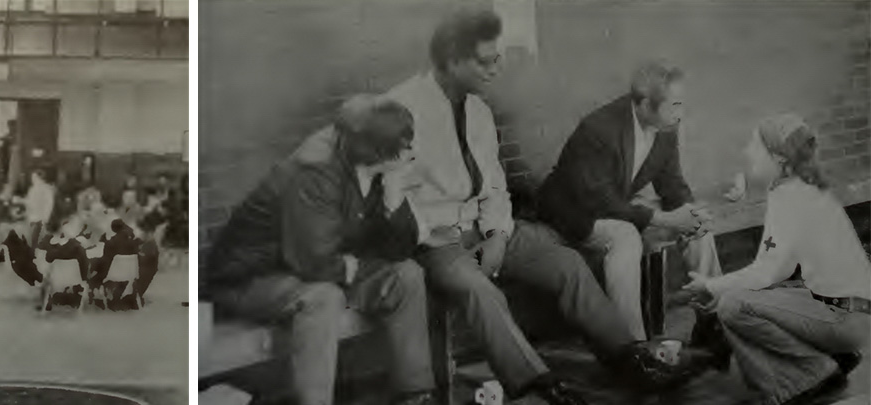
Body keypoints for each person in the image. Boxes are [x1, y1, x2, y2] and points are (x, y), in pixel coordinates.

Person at [386, 9, 696, 403]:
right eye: (486, 60)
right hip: (438, 241)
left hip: (490, 228)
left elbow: (495, 185)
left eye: (497, 58)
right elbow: (392, 196)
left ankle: (629, 360)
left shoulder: (478, 111)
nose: (496, 69)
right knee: (480, 290)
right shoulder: (399, 110)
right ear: (451, 60)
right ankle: (539, 385)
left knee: (568, 264)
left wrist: (497, 233)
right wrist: (450, 232)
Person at [204, 95, 431, 405]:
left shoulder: (379, 170)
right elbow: (312, 262)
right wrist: (345, 266)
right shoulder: (315, 171)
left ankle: (415, 394)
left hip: (313, 266)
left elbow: (398, 251)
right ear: (378, 148)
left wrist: (394, 199)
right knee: (323, 298)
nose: (413, 153)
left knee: (407, 274)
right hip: (250, 278)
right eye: (406, 146)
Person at [682, 114, 868, 405]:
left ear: (779, 158)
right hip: (852, 312)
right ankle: (832, 357)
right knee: (743, 296)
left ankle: (808, 375)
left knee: (733, 305)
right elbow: (778, 272)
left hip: (845, 317)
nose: (746, 151)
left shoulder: (790, 198)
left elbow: (764, 274)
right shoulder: (801, 187)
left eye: (754, 145)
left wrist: (712, 285)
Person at [537, 61, 723, 340]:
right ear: (646, 104)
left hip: (615, 203)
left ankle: (713, 325)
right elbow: (601, 202)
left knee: (699, 229)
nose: (681, 113)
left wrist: (689, 212)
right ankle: (633, 348)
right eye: (674, 105)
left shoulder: (666, 126)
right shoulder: (597, 128)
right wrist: (667, 219)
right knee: (625, 237)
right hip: (574, 213)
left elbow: (671, 184)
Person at [23, 169, 56, 248]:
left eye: (34, 177)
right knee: (31, 238)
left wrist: (45, 217)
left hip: (40, 218)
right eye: (32, 177)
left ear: (40, 178)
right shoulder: (32, 189)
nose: (33, 179)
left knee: (35, 239)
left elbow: (49, 204)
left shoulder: (46, 189)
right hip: (31, 217)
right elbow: (29, 202)